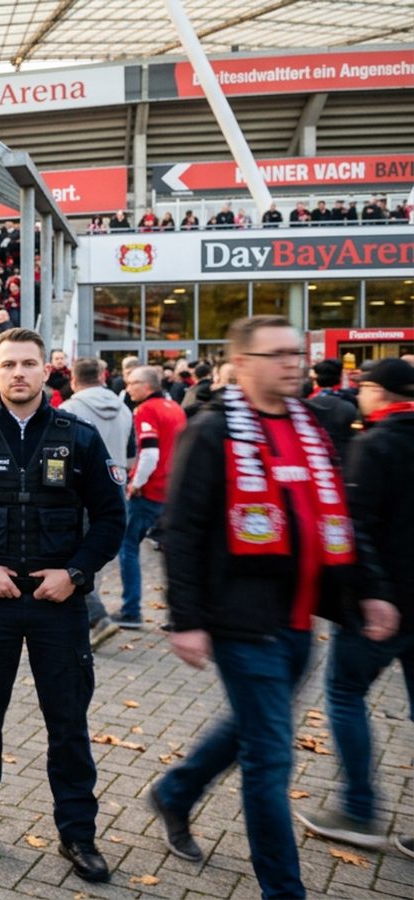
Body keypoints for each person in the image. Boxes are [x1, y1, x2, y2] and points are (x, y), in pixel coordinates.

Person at [148, 316, 394, 898]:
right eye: (279, 354)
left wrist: (370, 588)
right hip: (239, 622)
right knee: (270, 757)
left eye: (296, 352)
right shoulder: (213, 432)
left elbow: (334, 515)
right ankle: (284, 891)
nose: (294, 362)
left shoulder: (308, 423)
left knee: (254, 729)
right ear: (245, 363)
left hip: (299, 620)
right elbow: (181, 530)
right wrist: (185, 620)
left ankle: (176, 791)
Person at [0, 328, 126, 884]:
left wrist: (76, 574)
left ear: (46, 372)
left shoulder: (79, 437)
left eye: (28, 364)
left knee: (68, 723)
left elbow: (112, 519)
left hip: (57, 605)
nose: (18, 373)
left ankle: (78, 836)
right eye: (8, 364)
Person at [296, 357, 414, 854]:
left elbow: (353, 526)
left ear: (379, 392)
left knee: (344, 693)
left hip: (383, 604)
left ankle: (360, 810)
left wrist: (371, 591)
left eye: (365, 386)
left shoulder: (377, 443)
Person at [59, 358, 134, 636]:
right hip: (115, 489)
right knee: (97, 555)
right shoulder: (124, 409)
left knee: (71, 556)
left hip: (79, 494)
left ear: (73, 381)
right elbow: (130, 456)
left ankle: (94, 618)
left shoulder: (68, 410)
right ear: (103, 377)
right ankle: (91, 617)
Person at [113, 366, 185, 629]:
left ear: (147, 386)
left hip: (150, 491)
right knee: (171, 552)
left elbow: (150, 453)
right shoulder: (174, 407)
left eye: (132, 383)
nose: (127, 387)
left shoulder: (146, 410)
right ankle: (178, 615)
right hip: (172, 492)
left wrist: (135, 484)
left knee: (128, 546)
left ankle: (131, 610)